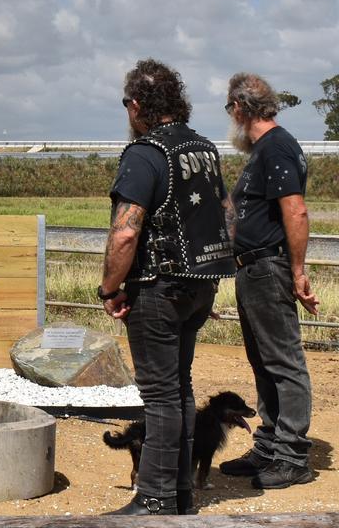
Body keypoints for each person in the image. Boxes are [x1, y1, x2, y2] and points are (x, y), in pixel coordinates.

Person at [99, 59, 234, 516]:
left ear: (136, 105)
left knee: (159, 395)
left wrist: (108, 288)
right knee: (181, 388)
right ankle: (181, 493)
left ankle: (154, 497)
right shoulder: (206, 148)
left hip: (157, 287)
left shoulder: (144, 153)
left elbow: (124, 232)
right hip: (199, 285)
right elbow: (226, 215)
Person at [219, 73, 319, 489]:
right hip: (255, 267)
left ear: (240, 109)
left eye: (230, 110)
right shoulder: (270, 149)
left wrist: (296, 271)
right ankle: (269, 445)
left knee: (283, 361)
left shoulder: (275, 147)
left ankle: (292, 455)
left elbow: (294, 211)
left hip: (266, 267)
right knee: (265, 361)